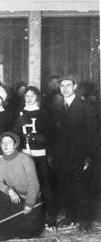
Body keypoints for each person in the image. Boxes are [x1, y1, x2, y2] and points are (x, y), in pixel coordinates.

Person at [48, 75, 97, 230]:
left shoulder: (85, 107)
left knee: (81, 187)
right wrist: (51, 154)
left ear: (75, 86)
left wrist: (89, 158)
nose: (65, 89)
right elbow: (53, 134)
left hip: (80, 156)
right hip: (61, 156)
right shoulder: (56, 107)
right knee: (65, 186)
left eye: (68, 85)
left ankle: (84, 220)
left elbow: (92, 134)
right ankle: (70, 217)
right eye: (62, 86)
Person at [0, 132, 44, 242]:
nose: (5, 145)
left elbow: (34, 184)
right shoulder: (0, 162)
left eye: (9, 142)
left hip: (29, 202)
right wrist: (9, 190)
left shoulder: (25, 159)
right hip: (14, 198)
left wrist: (29, 203)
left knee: (28, 231)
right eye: (3, 143)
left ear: (15, 144)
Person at [13, 86, 56, 227]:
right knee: (28, 184)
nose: (29, 98)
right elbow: (14, 134)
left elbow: (50, 134)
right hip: (25, 154)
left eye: (32, 95)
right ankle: (29, 214)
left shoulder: (43, 113)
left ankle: (49, 215)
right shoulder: (20, 113)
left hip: (40, 154)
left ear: (37, 97)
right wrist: (19, 129)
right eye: (27, 96)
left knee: (45, 184)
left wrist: (35, 138)